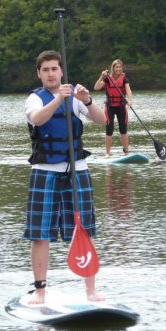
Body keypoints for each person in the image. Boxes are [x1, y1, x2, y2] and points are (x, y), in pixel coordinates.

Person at [24, 50, 106, 304]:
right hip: (45, 172)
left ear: (61, 72)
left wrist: (88, 100)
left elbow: (103, 121)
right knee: (41, 233)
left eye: (54, 69)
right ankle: (40, 291)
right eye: (46, 69)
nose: (50, 73)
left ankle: (91, 291)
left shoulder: (75, 97)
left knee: (84, 230)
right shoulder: (34, 99)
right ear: (39, 73)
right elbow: (38, 120)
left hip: (76, 170)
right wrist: (58, 99)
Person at [93, 59, 133, 157]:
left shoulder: (124, 79)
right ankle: (107, 153)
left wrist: (130, 100)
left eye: (120, 67)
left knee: (123, 129)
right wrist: (102, 76)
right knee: (109, 129)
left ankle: (126, 151)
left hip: (121, 106)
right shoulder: (107, 78)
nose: (118, 69)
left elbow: (128, 90)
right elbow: (96, 87)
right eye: (116, 67)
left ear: (121, 68)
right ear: (113, 68)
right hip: (110, 107)